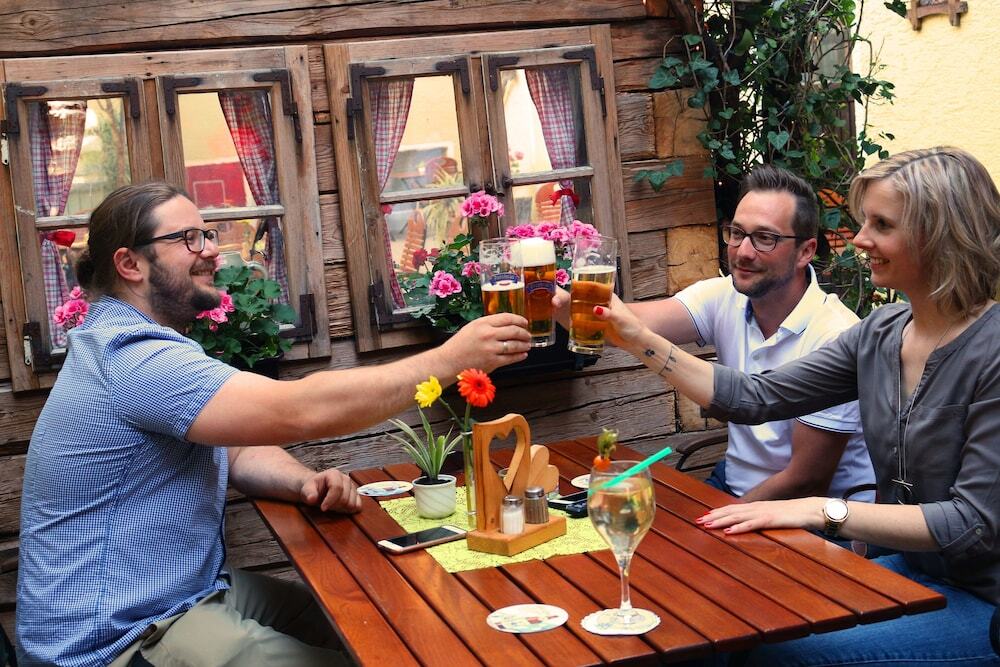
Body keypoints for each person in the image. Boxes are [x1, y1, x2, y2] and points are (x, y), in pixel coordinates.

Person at [16, 182, 532, 667]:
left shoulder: (132, 343)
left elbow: (235, 448)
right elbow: (298, 410)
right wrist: (447, 361)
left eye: (207, 234)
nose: (211, 250)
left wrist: (302, 482)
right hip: (116, 638)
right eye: (188, 238)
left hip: (181, 593)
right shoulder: (132, 357)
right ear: (130, 263)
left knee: (368, 622)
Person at [596, 147, 1000, 664]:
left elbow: (969, 523)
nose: (860, 239)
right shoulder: (882, 333)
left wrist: (819, 510)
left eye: (881, 225)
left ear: (939, 236)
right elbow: (756, 396)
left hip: (984, 600)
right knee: (726, 621)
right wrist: (636, 338)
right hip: (916, 568)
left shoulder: (991, 350)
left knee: (779, 653)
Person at [597, 165, 875, 502]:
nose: (743, 251)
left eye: (765, 238)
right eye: (737, 232)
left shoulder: (834, 334)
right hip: (733, 486)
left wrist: (715, 520)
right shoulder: (724, 295)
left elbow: (806, 483)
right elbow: (625, 323)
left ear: (806, 251)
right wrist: (555, 300)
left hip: (812, 516)